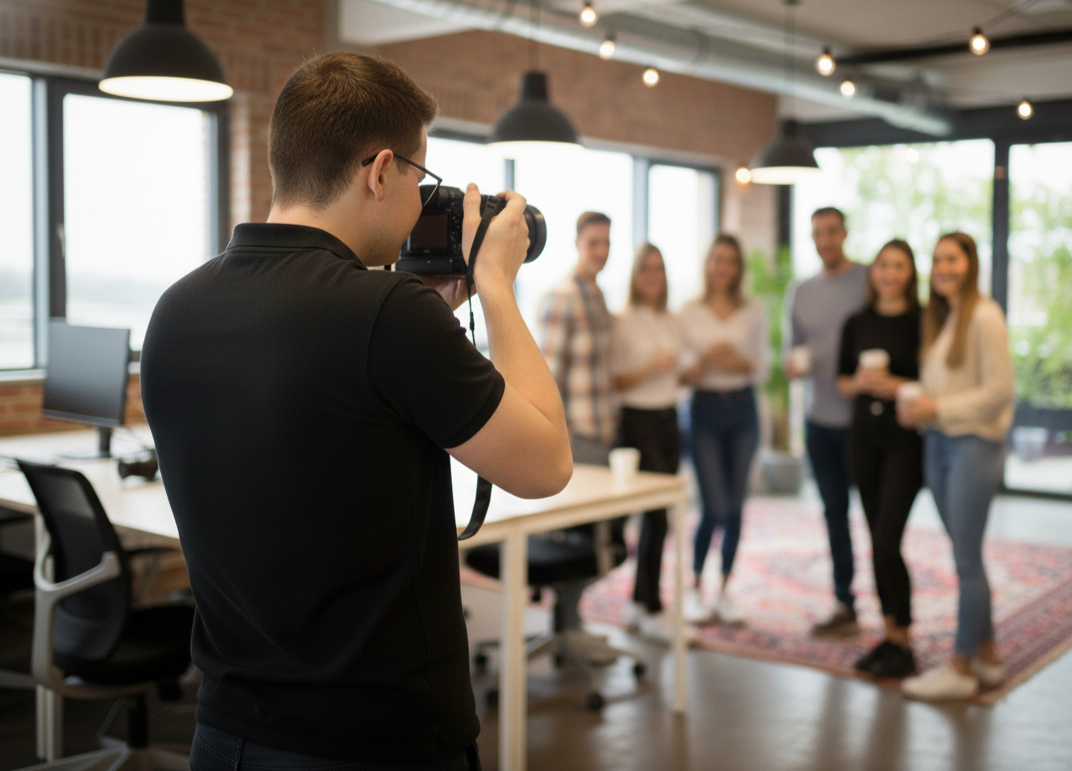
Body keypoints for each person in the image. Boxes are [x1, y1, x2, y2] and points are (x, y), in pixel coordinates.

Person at [140, 53, 572, 771]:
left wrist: (428, 319)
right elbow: (547, 463)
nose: (417, 205)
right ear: (379, 171)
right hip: (375, 740)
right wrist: (496, 285)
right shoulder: (387, 316)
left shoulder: (176, 306)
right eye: (419, 178)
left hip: (225, 735)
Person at [897, 232, 1014, 700]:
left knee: (966, 560)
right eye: (938, 259)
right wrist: (918, 407)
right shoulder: (942, 319)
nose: (943, 267)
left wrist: (936, 408)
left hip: (972, 444)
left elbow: (999, 392)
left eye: (953, 258)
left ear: (970, 264)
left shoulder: (985, 316)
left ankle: (960, 667)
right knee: (967, 554)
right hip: (939, 444)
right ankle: (987, 654)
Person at [836, 239, 923, 679]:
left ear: (910, 272)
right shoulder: (857, 322)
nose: (889, 273)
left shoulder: (923, 322)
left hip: (904, 442)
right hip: (863, 439)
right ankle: (888, 635)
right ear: (874, 272)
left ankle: (905, 639)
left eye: (898, 265)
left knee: (889, 541)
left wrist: (895, 385)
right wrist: (863, 383)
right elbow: (842, 380)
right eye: (882, 265)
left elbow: (932, 380)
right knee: (874, 540)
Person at [785, 207, 870, 637]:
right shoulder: (800, 291)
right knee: (835, 512)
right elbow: (793, 351)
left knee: (877, 517)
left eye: (832, 232)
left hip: (866, 422)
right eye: (817, 233)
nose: (825, 240)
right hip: (819, 422)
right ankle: (844, 599)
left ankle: (892, 607)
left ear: (845, 233)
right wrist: (792, 367)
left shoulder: (870, 280)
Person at [680, 235, 766, 626]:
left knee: (735, 506)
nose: (723, 267)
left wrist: (735, 362)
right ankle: (695, 586)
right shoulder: (689, 311)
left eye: (731, 261)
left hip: (744, 410)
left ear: (738, 268)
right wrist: (702, 363)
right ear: (708, 264)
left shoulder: (754, 310)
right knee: (714, 505)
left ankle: (726, 589)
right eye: (717, 259)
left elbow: (762, 368)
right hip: (705, 410)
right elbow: (682, 374)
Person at [612, 244, 683, 642]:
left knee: (661, 518)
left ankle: (640, 599)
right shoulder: (623, 321)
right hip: (637, 422)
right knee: (655, 516)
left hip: (670, 418)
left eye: (659, 268)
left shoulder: (673, 320)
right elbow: (616, 382)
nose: (653, 276)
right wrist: (649, 368)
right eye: (645, 269)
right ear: (635, 276)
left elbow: (681, 372)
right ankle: (652, 605)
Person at [538, 211, 617, 466]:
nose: (601, 251)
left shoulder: (598, 295)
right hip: (577, 438)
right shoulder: (562, 296)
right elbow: (549, 378)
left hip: (605, 432)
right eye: (593, 243)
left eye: (606, 243)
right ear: (577, 244)